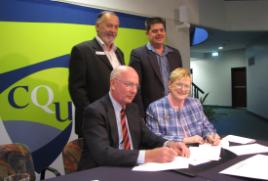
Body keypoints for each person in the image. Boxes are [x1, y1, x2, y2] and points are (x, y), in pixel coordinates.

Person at [78, 66, 189, 170]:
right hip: (101, 170)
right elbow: (102, 154)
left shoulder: (133, 109)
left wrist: (169, 144)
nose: (134, 91)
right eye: (129, 85)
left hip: (131, 168)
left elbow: (148, 136)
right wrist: (147, 155)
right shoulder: (95, 111)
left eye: (136, 86)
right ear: (113, 84)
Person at [68, 11, 124, 137]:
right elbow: (77, 89)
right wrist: (94, 115)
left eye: (116, 27)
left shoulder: (119, 53)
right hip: (93, 123)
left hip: (117, 121)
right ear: (97, 26)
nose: (113, 30)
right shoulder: (82, 50)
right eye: (109, 25)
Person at [146, 68, 221, 146]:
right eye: (179, 84)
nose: (183, 89)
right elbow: (154, 138)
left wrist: (210, 135)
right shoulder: (155, 108)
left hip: (199, 150)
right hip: (174, 153)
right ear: (170, 84)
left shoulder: (195, 103)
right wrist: (185, 140)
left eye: (186, 86)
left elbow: (206, 126)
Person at [129, 17, 182, 116]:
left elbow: (180, 81)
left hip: (174, 108)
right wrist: (140, 115)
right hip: (151, 111)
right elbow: (135, 87)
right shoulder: (138, 54)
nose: (159, 33)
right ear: (147, 34)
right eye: (155, 31)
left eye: (162, 30)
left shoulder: (175, 54)